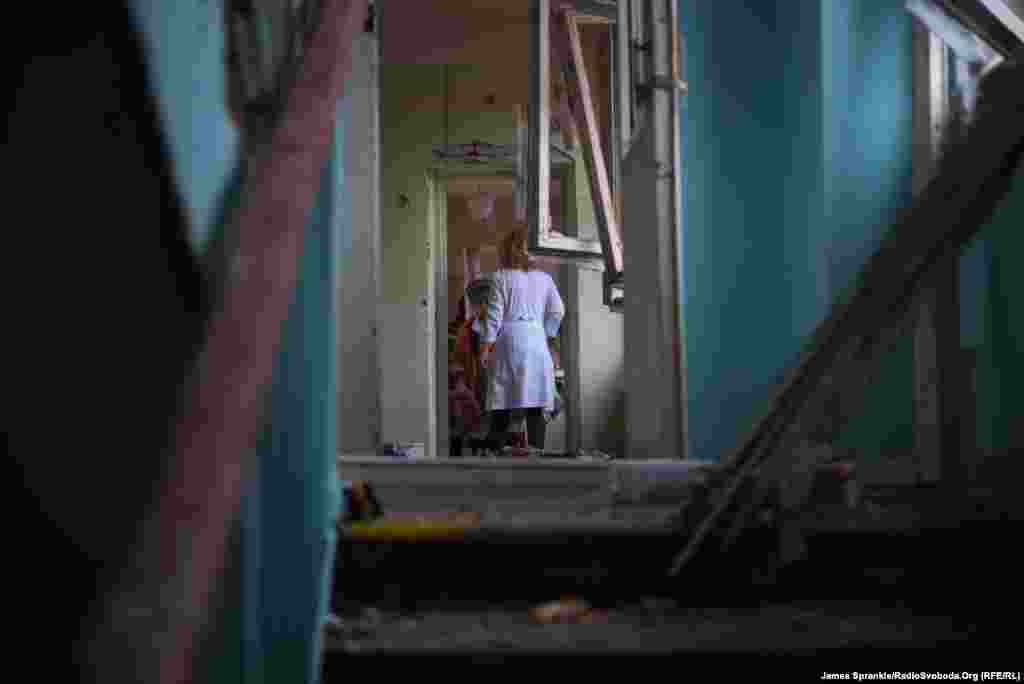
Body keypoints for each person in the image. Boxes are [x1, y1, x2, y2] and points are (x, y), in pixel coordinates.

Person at [480, 229, 565, 452]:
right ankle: (538, 465)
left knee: (502, 406)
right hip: (536, 340)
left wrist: (486, 347)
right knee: (536, 406)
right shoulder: (545, 279)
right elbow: (558, 310)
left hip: (508, 340)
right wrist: (546, 333)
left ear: (506, 250)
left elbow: (494, 316)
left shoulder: (500, 277)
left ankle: (492, 459)